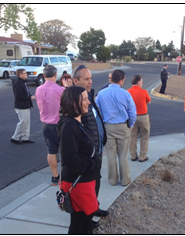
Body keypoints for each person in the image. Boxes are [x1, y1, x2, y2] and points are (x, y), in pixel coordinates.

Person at [58, 86, 101, 234]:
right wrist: (93, 164)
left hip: (85, 181)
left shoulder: (77, 122)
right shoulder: (69, 125)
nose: (88, 102)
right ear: (74, 102)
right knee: (79, 225)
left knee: (86, 222)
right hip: (78, 184)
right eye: (84, 99)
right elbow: (69, 159)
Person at [72, 65, 109, 225]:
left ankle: (94, 208)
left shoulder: (88, 96)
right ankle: (86, 220)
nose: (90, 82)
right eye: (86, 79)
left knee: (97, 180)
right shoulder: (73, 101)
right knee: (86, 187)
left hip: (97, 151)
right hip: (86, 154)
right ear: (75, 81)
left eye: (90, 78)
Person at [96, 69, 136, 186]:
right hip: (123, 126)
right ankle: (125, 179)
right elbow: (132, 112)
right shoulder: (125, 94)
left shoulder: (101, 94)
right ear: (121, 80)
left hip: (108, 127)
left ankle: (112, 180)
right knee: (123, 155)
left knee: (110, 154)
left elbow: (97, 111)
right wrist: (130, 125)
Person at [35, 65, 65, 186]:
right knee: (64, 151)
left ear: (44, 75)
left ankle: (54, 176)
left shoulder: (39, 89)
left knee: (51, 151)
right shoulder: (60, 90)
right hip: (60, 123)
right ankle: (65, 175)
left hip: (46, 124)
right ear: (55, 75)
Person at [127, 75, 151, 162]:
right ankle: (142, 156)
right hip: (143, 116)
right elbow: (149, 101)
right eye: (141, 82)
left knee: (133, 137)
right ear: (138, 82)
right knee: (144, 137)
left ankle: (133, 155)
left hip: (132, 117)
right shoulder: (144, 92)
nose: (142, 83)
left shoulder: (128, 92)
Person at [11, 69, 35, 144]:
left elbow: (26, 94)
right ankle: (15, 137)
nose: (27, 74)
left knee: (27, 122)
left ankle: (25, 137)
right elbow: (19, 96)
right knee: (23, 122)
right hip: (21, 106)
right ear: (20, 75)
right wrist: (30, 98)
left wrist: (31, 96)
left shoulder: (23, 83)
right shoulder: (18, 84)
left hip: (26, 105)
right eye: (25, 73)